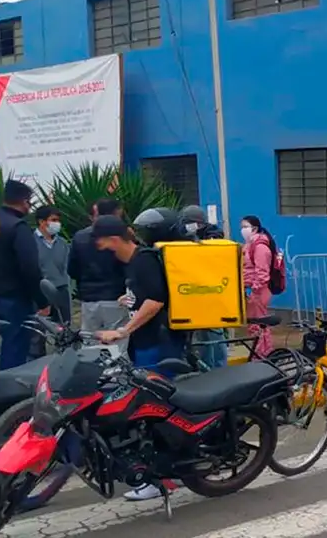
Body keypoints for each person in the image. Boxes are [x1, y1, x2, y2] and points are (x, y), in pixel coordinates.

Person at [92, 212, 185, 501]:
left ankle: (165, 479)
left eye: (102, 242)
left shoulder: (143, 260)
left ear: (116, 239)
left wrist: (123, 330)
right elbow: (146, 296)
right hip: (146, 343)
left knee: (157, 410)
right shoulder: (133, 263)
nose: (100, 248)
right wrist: (129, 299)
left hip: (157, 343)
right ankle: (170, 471)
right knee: (153, 407)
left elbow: (156, 301)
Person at [0, 179, 50, 371]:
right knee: (15, 347)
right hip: (15, 298)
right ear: (24, 201)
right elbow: (30, 267)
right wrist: (42, 301)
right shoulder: (18, 227)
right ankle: (8, 393)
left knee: (4, 343)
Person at [68, 199, 129, 337]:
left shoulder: (80, 237)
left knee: (90, 344)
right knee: (116, 346)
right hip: (116, 298)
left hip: (89, 299)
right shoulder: (119, 237)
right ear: (117, 213)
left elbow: (72, 269)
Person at [180, 205, 227, 369]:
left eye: (192, 223)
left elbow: (214, 249)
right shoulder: (181, 235)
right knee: (199, 337)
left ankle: (219, 368)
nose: (189, 226)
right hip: (191, 291)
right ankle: (203, 367)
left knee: (214, 333)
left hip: (211, 291)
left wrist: (197, 241)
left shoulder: (213, 234)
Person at [241, 215, 276, 358]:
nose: (242, 230)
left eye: (245, 227)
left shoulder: (260, 247)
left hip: (258, 291)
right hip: (254, 290)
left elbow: (262, 273)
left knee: (259, 325)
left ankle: (262, 354)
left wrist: (253, 289)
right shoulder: (251, 244)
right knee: (256, 325)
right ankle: (261, 353)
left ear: (254, 228)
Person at [34, 206, 71, 326]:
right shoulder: (30, 242)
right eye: (53, 220)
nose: (57, 224)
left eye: (58, 221)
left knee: (65, 330)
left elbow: (67, 268)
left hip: (62, 291)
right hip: (40, 292)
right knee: (39, 332)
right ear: (41, 221)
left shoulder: (62, 243)